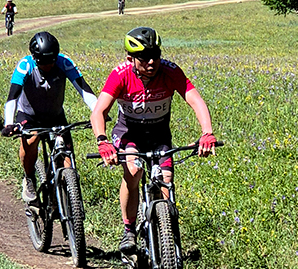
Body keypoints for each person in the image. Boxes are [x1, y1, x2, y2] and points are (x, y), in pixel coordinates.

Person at [90, 26, 217, 253]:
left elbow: (196, 101)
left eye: (155, 56)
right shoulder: (120, 75)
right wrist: (102, 140)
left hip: (159, 135)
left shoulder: (170, 72)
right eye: (144, 57)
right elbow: (98, 111)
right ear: (130, 58)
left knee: (166, 180)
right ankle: (129, 231)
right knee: (134, 170)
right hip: (129, 135)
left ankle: (166, 237)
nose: (151, 62)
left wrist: (207, 132)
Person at [1, 31, 98, 206]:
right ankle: (29, 178)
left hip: (55, 117)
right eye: (43, 62)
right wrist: (9, 123)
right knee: (31, 139)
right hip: (29, 116)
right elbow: (12, 97)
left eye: (52, 61)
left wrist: (98, 113)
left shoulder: (64, 62)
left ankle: (61, 196)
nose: (48, 65)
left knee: (67, 160)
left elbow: (84, 90)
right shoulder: (25, 66)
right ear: (35, 58)